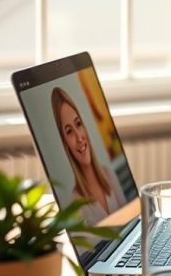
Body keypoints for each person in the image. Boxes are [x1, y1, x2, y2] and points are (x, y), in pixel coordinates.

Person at [50, 87, 128, 223]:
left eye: (78, 124)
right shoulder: (74, 204)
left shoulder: (108, 175)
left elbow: (130, 218)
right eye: (69, 131)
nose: (79, 137)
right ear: (65, 143)